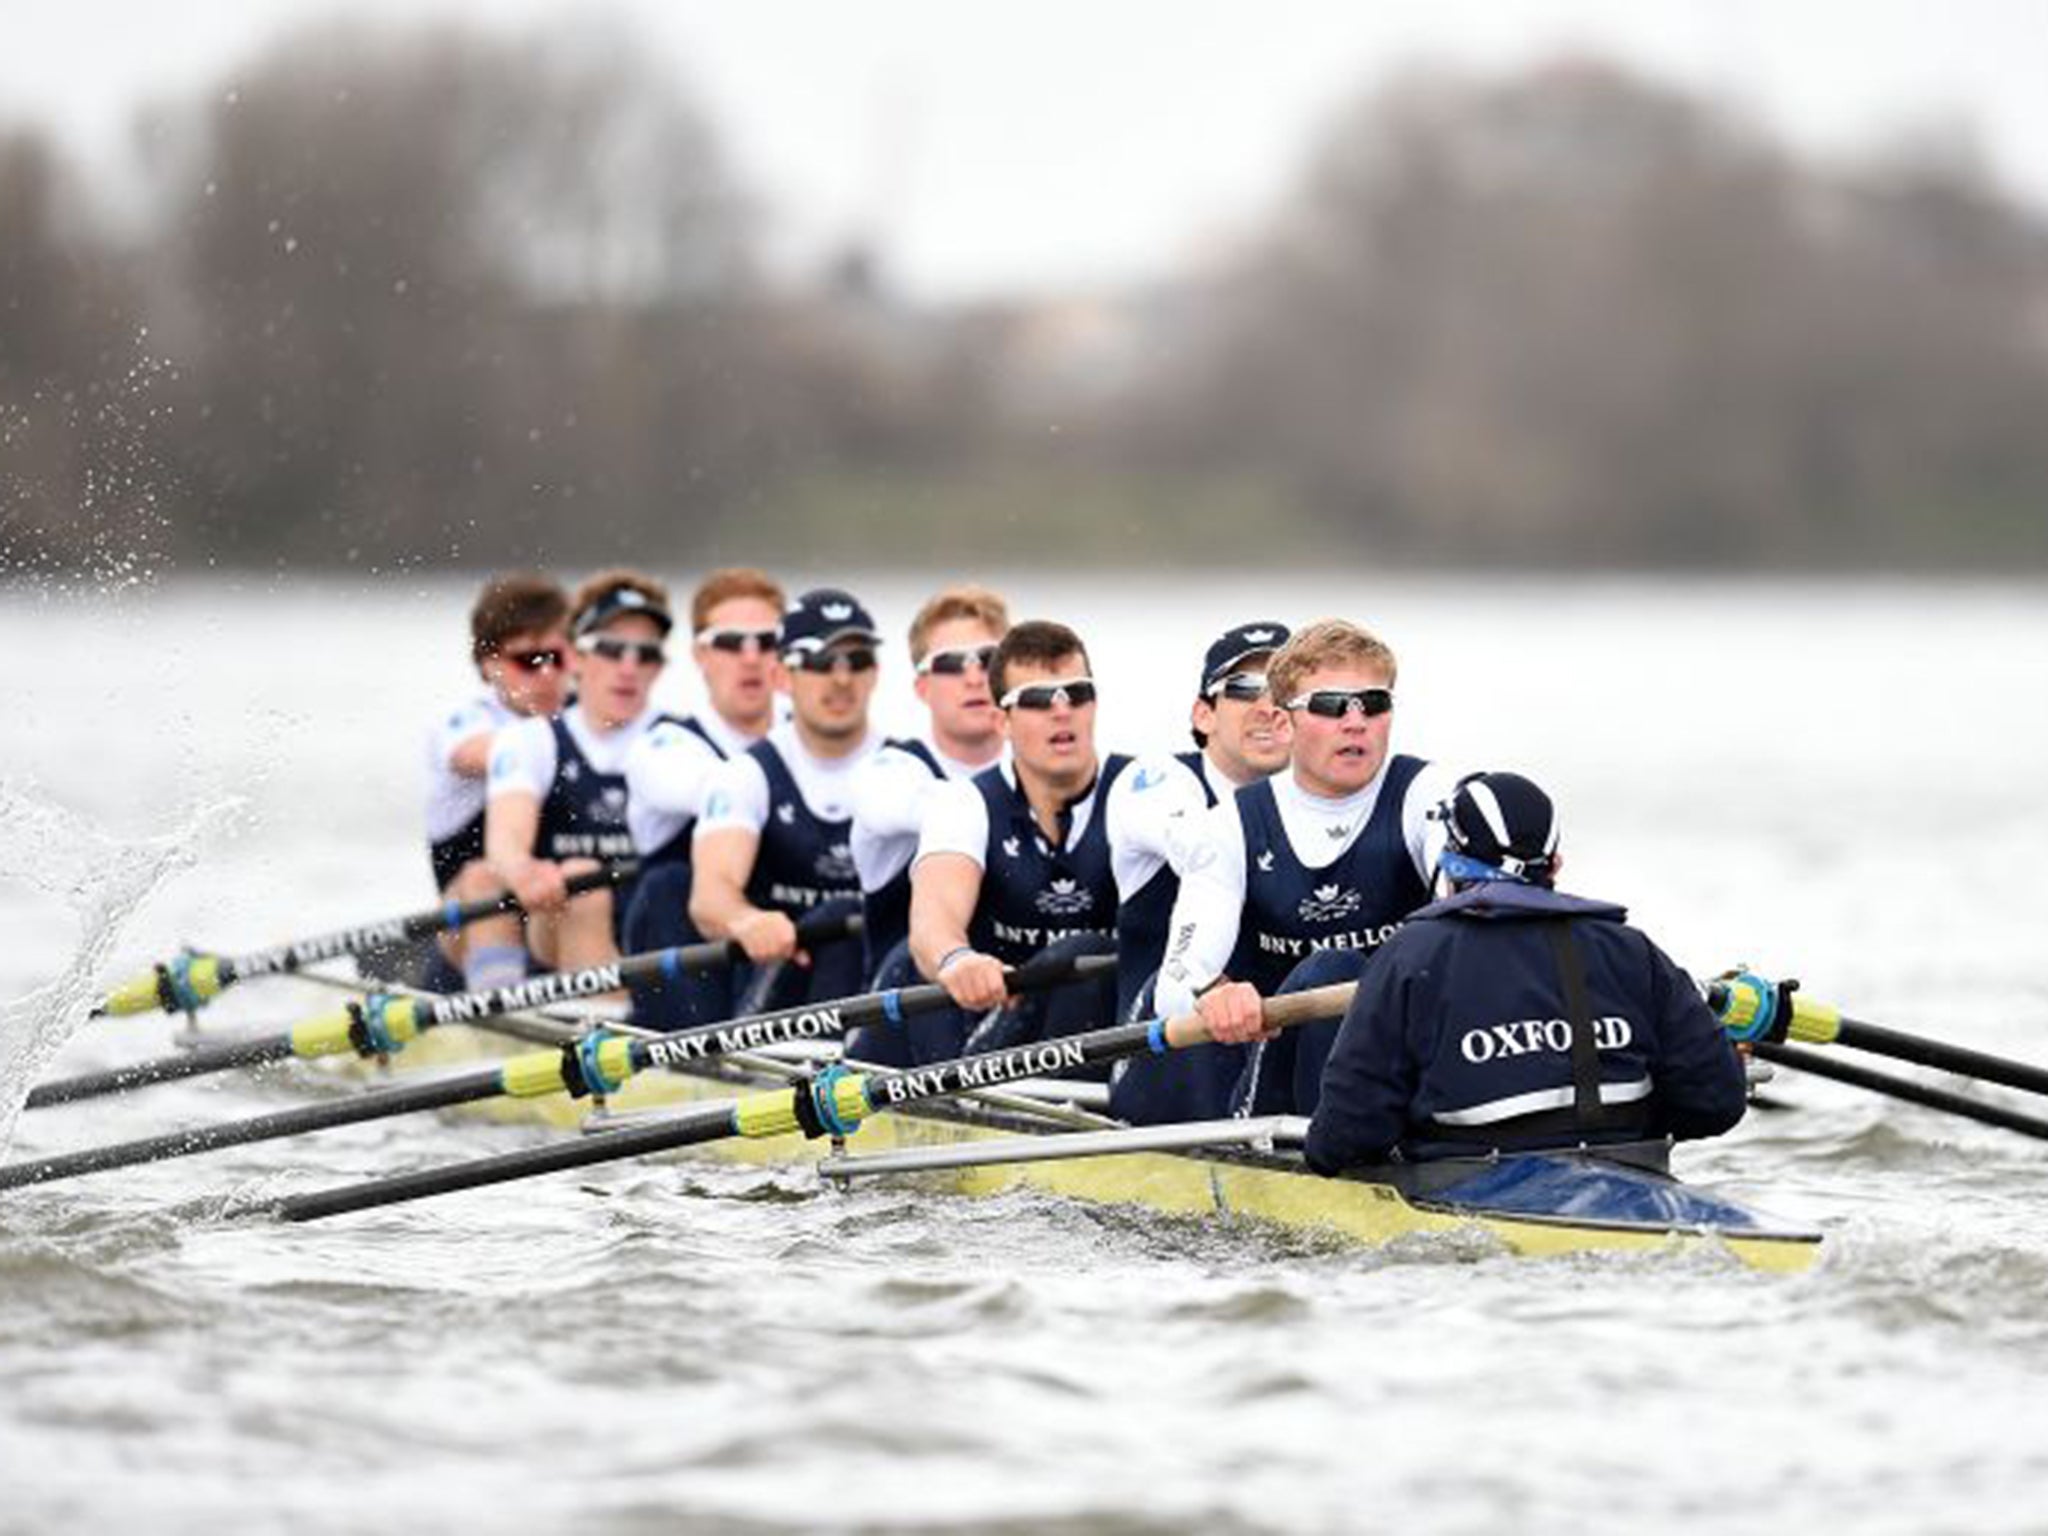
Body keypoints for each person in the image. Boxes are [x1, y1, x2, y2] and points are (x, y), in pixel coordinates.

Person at [1299, 771, 1749, 1170]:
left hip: (1462, 1182)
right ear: (1554, 862)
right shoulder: (1632, 949)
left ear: (1450, 857)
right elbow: (1717, 1102)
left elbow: (1347, 1135)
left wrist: (1327, 1155)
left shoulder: (1410, 957)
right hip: (1630, 1169)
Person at [1156, 619, 1455, 1119]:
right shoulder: (1231, 826)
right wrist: (1213, 995)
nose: (1355, 722)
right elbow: (1174, 986)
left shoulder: (1427, 795)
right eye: (1331, 706)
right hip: (1283, 1092)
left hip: (1406, 1062)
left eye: (1374, 704)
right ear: (1284, 722)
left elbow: (1467, 907)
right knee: (1329, 969)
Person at [881, 621, 1129, 1068]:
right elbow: (932, 924)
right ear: (1001, 720)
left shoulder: (1142, 791)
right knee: (906, 961)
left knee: (1084, 956)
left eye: (1076, 693)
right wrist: (958, 960)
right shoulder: (964, 802)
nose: (1061, 712)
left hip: (1113, 1033)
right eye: (1036, 699)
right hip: (996, 1038)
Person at [1104, 621, 1293, 1121]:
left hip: (1273, 1041)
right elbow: (1202, 847)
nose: (1268, 706)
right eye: (1244, 689)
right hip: (1164, 1049)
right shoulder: (1156, 782)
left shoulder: (1331, 803)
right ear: (1203, 715)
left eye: (1285, 690)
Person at [684, 587, 885, 1021]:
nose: (841, 678)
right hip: (779, 990)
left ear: (876, 673)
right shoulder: (746, 774)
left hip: (881, 990)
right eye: (818, 661)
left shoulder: (907, 769)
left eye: (857, 660)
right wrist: (746, 922)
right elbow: (710, 895)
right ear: (780, 677)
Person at [470, 570, 672, 989]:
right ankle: (603, 1032)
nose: (629, 668)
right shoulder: (531, 741)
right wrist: (523, 872)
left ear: (660, 667)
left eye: (646, 654)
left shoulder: (683, 741)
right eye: (612, 649)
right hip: (557, 928)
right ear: (576, 657)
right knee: (581, 880)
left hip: (652, 931)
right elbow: (505, 842)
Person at [619, 568, 785, 981]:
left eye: (767, 642)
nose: (751, 657)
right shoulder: (662, 748)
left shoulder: (816, 738)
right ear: (700, 655)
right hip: (687, 956)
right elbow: (725, 787)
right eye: (730, 643)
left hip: (782, 948)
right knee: (669, 885)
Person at [849, 584, 1010, 992]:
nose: (974, 677)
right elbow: (949, 806)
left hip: (1010, 1001)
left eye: (989, 660)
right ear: (922, 688)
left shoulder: (1045, 771)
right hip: (904, 1020)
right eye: (952, 664)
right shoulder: (889, 773)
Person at [421, 573, 572, 988]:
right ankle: (497, 1024)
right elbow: (476, 754)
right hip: (467, 925)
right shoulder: (464, 722)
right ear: (490, 665)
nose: (545, 675)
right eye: (528, 660)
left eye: (557, 657)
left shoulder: (587, 719)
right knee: (484, 877)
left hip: (556, 913)